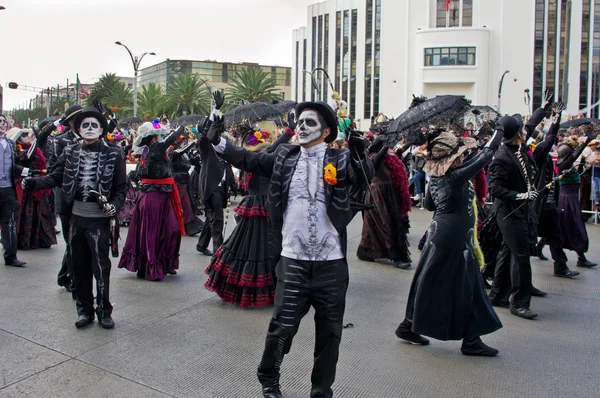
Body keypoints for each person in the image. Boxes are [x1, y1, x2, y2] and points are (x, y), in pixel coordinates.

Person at [208, 98, 371, 398]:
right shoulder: (284, 155)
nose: (302, 127)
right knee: (281, 327)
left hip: (331, 264)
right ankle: (269, 378)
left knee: (330, 333)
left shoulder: (340, 160)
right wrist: (217, 140)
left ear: (326, 132)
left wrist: (361, 153)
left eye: (310, 123)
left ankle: (321, 390)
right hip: (293, 259)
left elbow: (364, 178)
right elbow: (248, 160)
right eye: (300, 122)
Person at [396, 126, 504, 357]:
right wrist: (500, 131)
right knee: (465, 284)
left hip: (444, 234)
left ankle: (409, 326)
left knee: (431, 281)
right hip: (452, 237)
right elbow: (486, 155)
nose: (464, 156)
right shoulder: (454, 177)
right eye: (460, 154)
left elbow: (431, 205)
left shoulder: (438, 178)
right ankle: (471, 340)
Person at [23, 107, 127, 329]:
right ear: (78, 129)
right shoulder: (69, 151)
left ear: (101, 130)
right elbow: (55, 177)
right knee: (78, 267)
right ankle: (84, 311)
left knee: (101, 268)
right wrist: (34, 183)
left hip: (99, 221)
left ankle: (104, 311)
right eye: (85, 125)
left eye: (94, 125)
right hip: (76, 219)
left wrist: (113, 207)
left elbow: (120, 189)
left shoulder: (114, 153)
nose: (89, 129)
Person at [204, 122, 293, 307]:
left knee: (248, 247)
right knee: (267, 249)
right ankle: (271, 290)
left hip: (258, 207)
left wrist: (288, 133)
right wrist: (288, 133)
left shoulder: (261, 156)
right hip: (264, 207)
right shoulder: (262, 157)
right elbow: (242, 154)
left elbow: (249, 153)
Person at [118, 123, 186, 281]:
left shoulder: (152, 151)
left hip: (162, 195)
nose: (160, 138)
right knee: (152, 233)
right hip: (152, 196)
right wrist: (181, 127)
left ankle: (164, 262)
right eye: (158, 136)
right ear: (152, 138)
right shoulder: (154, 149)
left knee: (171, 230)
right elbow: (173, 138)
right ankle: (149, 265)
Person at [357, 137, 412, 268]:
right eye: (387, 145)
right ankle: (396, 256)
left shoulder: (390, 156)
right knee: (384, 224)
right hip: (378, 195)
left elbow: (395, 170)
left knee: (380, 224)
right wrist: (386, 145)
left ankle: (367, 251)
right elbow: (376, 164)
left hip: (391, 194)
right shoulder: (372, 157)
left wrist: (407, 148)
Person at [195, 93, 236, 256]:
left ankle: (201, 243)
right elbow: (206, 132)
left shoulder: (221, 144)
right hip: (211, 188)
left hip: (220, 187)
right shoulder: (204, 144)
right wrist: (217, 108)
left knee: (211, 217)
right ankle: (218, 254)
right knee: (217, 220)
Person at [50, 104, 83, 293]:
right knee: (72, 241)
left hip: (85, 201)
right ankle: (72, 278)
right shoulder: (61, 141)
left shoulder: (93, 139)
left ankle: (65, 275)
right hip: (66, 197)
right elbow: (56, 170)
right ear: (71, 122)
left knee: (77, 241)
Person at [6, 127, 56, 250]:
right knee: (26, 214)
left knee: (41, 213)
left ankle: (41, 240)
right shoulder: (16, 151)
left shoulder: (36, 149)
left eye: (28, 134)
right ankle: (23, 241)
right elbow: (26, 158)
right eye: (23, 135)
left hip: (39, 185)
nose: (27, 137)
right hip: (24, 186)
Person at [555, 128, 597, 268]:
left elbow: (577, 166)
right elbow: (574, 156)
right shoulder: (564, 165)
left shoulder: (568, 165)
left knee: (562, 228)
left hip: (570, 199)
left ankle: (581, 257)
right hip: (567, 200)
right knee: (574, 228)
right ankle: (581, 257)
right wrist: (585, 142)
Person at [0, 115, 29, 267]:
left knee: (10, 222)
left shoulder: (10, 144)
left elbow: (14, 166)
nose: (2, 124)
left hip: (7, 188)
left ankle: (11, 256)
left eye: (3, 122)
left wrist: (28, 171)